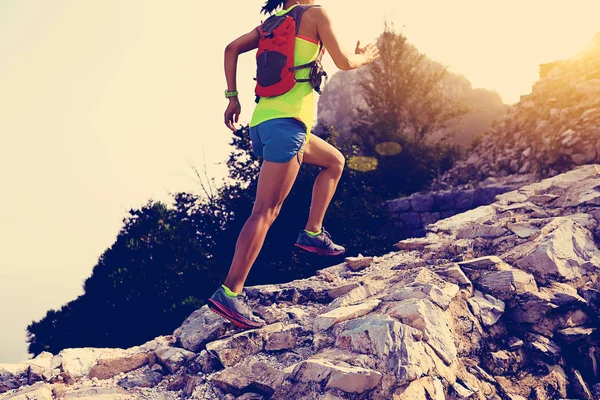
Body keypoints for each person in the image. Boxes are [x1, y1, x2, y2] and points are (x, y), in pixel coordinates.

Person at [208, 0, 380, 329]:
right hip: (287, 126)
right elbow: (344, 62)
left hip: (264, 123)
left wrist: (232, 97)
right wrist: (365, 57)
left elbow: (231, 49)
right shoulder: (316, 14)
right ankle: (230, 292)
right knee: (265, 211)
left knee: (334, 161)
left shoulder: (272, 24)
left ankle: (313, 232)